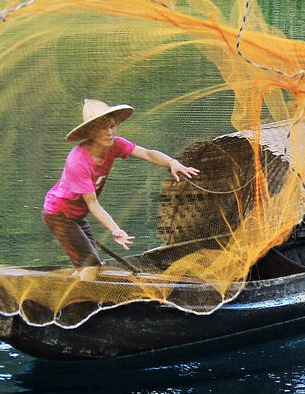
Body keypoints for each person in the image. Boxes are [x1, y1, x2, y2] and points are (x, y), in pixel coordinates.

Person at [43, 98, 198, 268]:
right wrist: (115, 229)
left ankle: (74, 284)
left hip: (77, 215)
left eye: (112, 126)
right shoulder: (78, 161)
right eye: (103, 127)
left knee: (90, 262)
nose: (110, 132)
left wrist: (171, 162)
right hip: (59, 215)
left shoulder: (114, 145)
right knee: (91, 266)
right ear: (91, 131)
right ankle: (84, 291)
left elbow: (147, 154)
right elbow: (93, 205)